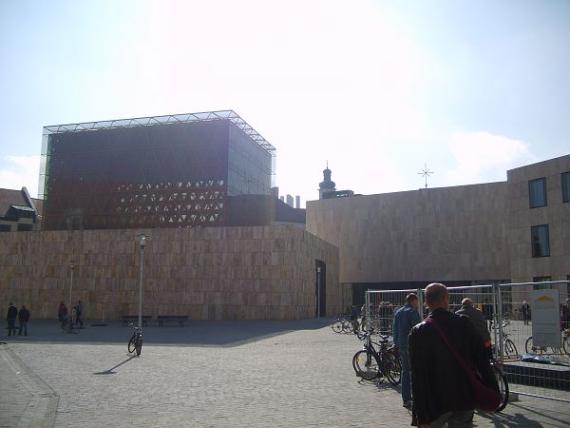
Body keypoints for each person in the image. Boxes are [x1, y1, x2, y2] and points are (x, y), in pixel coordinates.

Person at [409, 283, 498, 427]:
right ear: (445, 299)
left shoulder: (418, 331)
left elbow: (417, 375)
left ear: (426, 302)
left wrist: (420, 414)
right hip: (463, 396)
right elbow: (482, 360)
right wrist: (493, 389)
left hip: (434, 401)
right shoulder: (464, 324)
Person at [393, 293, 421, 409]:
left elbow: (394, 329)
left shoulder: (398, 312)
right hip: (412, 346)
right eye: (417, 301)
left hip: (402, 345)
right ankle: (417, 397)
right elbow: (418, 329)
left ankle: (406, 399)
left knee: (405, 371)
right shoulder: (412, 312)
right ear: (413, 301)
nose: (418, 304)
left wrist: (396, 344)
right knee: (416, 371)